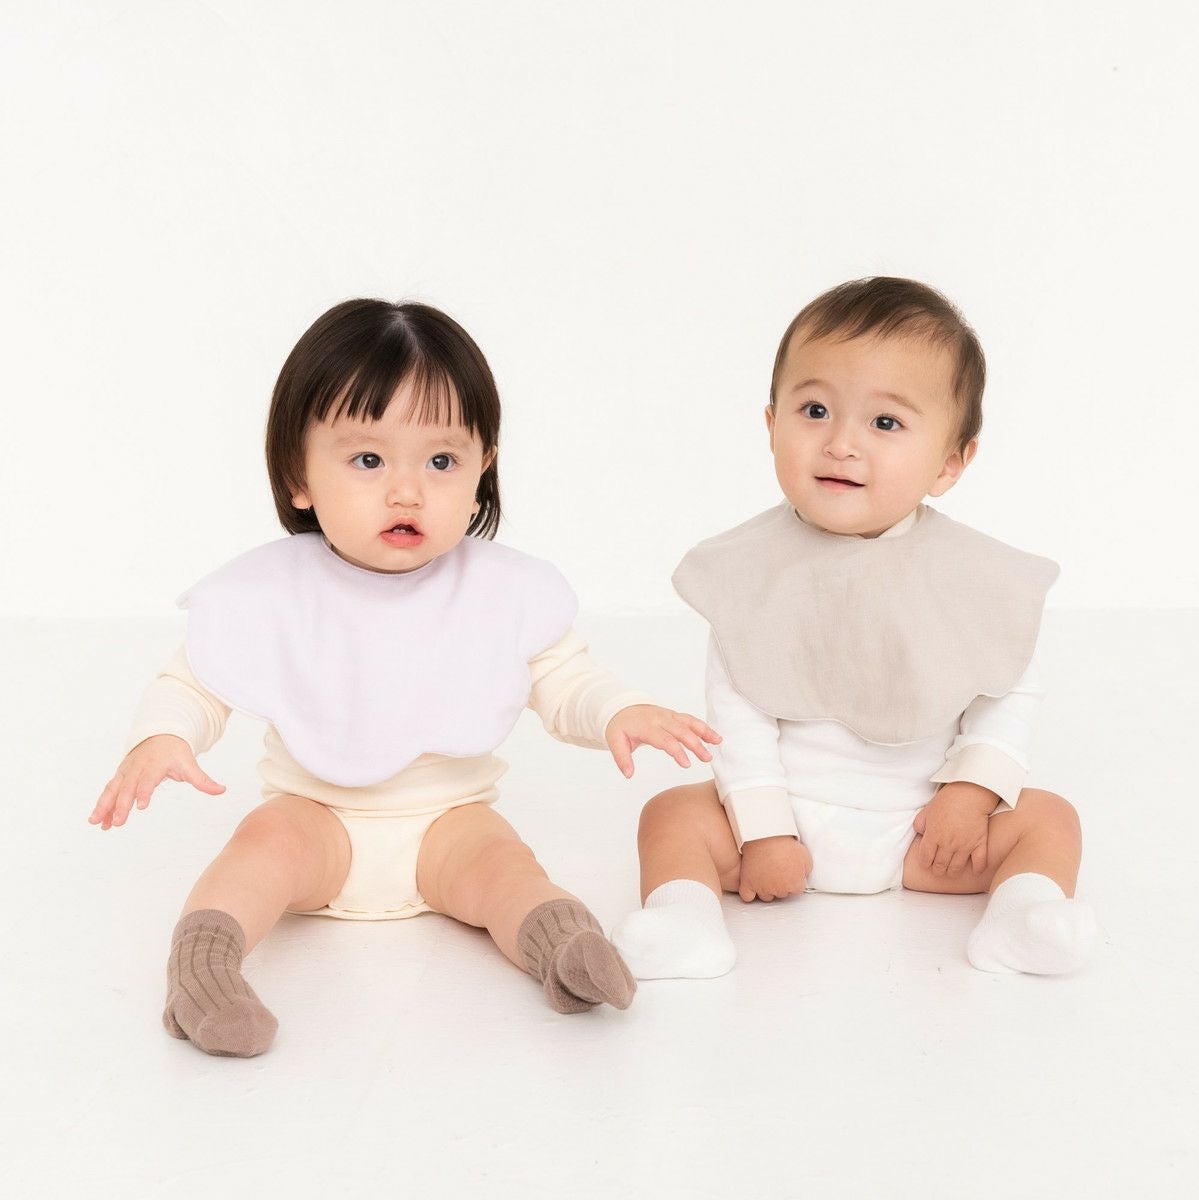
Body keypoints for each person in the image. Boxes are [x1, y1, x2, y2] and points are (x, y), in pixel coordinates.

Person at [90, 299, 720, 1055]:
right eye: (368, 460)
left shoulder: (500, 591)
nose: (407, 491)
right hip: (316, 818)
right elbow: (192, 681)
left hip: (448, 824)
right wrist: (162, 738)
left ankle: (564, 947)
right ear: (297, 475)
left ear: (483, 468)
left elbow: (564, 679)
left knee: (506, 866)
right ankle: (205, 973)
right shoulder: (269, 593)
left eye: (441, 462)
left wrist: (619, 711)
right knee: (258, 851)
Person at [612, 277, 1096, 980]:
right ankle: (685, 923)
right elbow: (737, 715)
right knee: (670, 816)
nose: (840, 444)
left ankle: (1023, 918)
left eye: (885, 423)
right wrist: (764, 829)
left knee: (1050, 820)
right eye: (814, 410)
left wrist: (970, 794)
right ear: (771, 423)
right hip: (785, 826)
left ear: (950, 462)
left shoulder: (973, 576)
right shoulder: (750, 569)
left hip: (926, 831)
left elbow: (1008, 690)